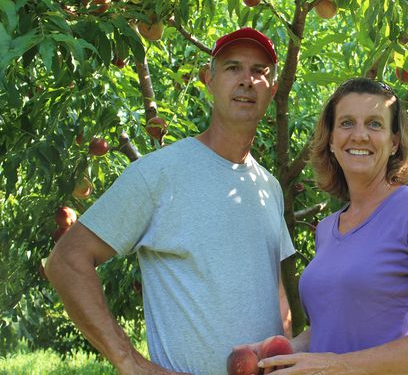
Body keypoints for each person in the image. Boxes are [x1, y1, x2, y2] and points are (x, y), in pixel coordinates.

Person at [45, 27, 295, 375]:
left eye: (260, 72)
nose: (247, 80)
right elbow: (66, 261)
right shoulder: (159, 174)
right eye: (233, 67)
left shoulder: (268, 186)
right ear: (209, 79)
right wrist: (130, 362)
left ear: (274, 88)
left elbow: (274, 288)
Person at [252, 78, 408, 374]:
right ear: (332, 141)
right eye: (347, 123)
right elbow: (331, 332)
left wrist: (337, 366)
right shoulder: (326, 229)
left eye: (374, 124)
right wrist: (275, 355)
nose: (359, 135)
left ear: (394, 142)